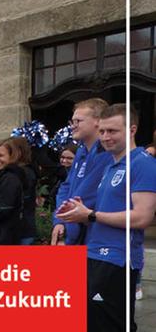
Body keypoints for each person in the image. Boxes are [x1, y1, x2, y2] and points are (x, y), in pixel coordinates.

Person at [57, 104, 155, 332]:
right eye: (102, 131)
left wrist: (92, 214)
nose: (105, 137)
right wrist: (81, 212)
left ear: (132, 130)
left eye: (112, 131)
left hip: (119, 261)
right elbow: (99, 211)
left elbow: (142, 216)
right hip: (94, 256)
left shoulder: (142, 164)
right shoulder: (113, 167)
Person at [51, 98, 112, 245]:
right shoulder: (81, 152)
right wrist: (59, 221)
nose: (73, 126)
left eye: (78, 121)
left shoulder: (107, 153)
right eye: (72, 122)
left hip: (94, 234)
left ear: (98, 121)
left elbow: (87, 194)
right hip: (73, 229)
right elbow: (66, 187)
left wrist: (64, 217)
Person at [9, 136, 37, 245]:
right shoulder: (22, 170)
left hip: (22, 227)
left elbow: (22, 199)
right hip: (21, 227)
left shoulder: (24, 172)